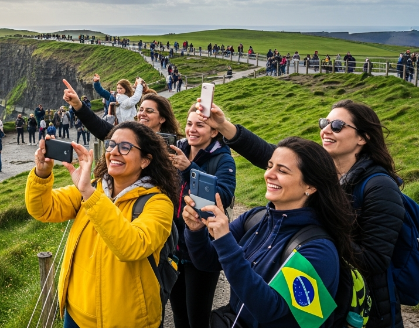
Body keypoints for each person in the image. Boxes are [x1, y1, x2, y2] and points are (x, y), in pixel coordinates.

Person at [200, 99, 406, 327]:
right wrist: (224, 125)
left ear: (363, 137)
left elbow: (375, 259)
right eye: (324, 123)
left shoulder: (379, 186)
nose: (326, 129)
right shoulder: (323, 172)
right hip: (319, 291)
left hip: (366, 305)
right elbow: (277, 157)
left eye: (337, 125)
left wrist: (319, 236)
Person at [183, 137, 355, 328]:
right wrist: (196, 230)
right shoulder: (256, 217)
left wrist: (224, 240)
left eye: (282, 170)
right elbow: (207, 261)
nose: (269, 175)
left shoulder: (318, 248)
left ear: (311, 186)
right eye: (270, 166)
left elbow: (270, 310)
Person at [25, 123, 178, 328]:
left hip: (125, 322)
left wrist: (89, 193)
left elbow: (132, 246)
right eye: (111, 144)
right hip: (75, 315)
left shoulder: (158, 203)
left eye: (125, 147)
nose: (114, 152)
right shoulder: (95, 189)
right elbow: (43, 209)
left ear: (145, 160)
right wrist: (42, 174)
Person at [167, 104, 237, 327]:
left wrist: (190, 169)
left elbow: (223, 196)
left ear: (214, 131)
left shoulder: (223, 159)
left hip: (202, 247)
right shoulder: (176, 150)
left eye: (200, 125)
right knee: (179, 314)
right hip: (175, 247)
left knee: (197, 317)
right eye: (189, 124)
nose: (192, 130)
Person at [67, 85, 182, 141]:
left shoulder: (174, 144)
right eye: (141, 109)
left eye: (149, 111)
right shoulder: (130, 135)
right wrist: (78, 105)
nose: (142, 114)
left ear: (162, 118)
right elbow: (100, 127)